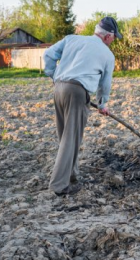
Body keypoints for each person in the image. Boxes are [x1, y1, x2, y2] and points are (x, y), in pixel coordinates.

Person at [43, 16, 121, 196]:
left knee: (65, 136)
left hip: (59, 88)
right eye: (114, 37)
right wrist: (103, 104)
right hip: (77, 92)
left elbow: (47, 54)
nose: (114, 40)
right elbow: (105, 84)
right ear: (108, 36)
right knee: (71, 138)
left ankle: (72, 175)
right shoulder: (107, 55)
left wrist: (53, 76)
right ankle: (59, 186)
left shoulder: (72, 39)